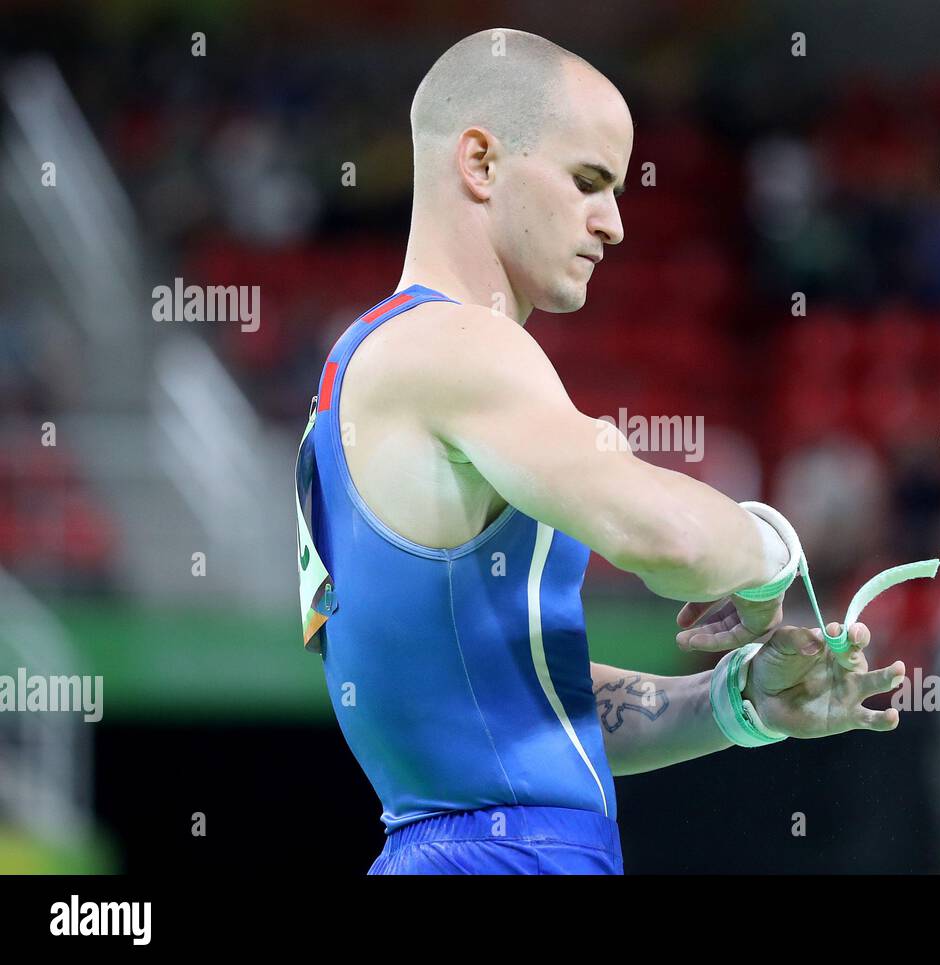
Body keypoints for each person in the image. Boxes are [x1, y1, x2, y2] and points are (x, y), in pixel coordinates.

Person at [293, 27, 904, 875]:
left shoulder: (362, 373)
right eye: (588, 182)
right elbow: (673, 542)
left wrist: (735, 701)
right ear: (479, 162)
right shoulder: (456, 345)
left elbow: (511, 711)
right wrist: (772, 548)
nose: (614, 225)